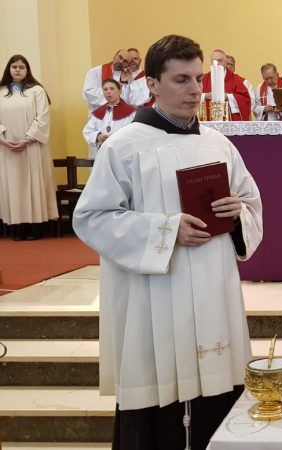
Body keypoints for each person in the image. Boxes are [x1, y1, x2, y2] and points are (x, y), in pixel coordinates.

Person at [72, 34, 264, 450]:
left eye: (198, 78)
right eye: (181, 80)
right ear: (152, 85)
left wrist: (237, 216)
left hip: (213, 291)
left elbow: (251, 206)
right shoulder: (124, 147)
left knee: (218, 396)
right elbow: (91, 218)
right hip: (153, 296)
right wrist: (165, 230)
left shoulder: (219, 143)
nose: (195, 90)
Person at [0, 55, 58, 241]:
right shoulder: (0, 92)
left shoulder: (37, 91)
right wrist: (3, 139)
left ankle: (35, 226)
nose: (17, 70)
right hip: (7, 148)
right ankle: (17, 227)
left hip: (32, 147)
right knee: (13, 186)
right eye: (14, 67)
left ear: (27, 70)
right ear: (8, 69)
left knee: (32, 184)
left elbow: (42, 118)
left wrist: (27, 140)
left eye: (21, 67)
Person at [82, 49, 149, 113]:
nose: (121, 61)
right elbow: (88, 93)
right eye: (120, 57)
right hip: (98, 119)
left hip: (119, 121)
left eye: (125, 61)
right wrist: (115, 91)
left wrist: (124, 83)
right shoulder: (96, 72)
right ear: (115, 56)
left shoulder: (129, 79)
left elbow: (130, 102)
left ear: (128, 65)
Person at [82, 79, 136, 159]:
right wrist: (97, 136)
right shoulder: (98, 113)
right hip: (103, 155)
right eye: (105, 89)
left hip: (124, 155)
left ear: (119, 91)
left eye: (112, 88)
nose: (108, 92)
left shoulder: (131, 112)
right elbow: (87, 132)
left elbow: (135, 134)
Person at [201, 49, 252, 121]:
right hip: (208, 120)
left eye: (220, 61)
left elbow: (245, 99)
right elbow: (192, 96)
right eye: (213, 61)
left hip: (229, 122)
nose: (216, 64)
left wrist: (227, 96)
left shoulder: (236, 80)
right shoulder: (203, 79)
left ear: (225, 63)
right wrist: (205, 96)